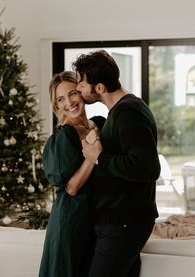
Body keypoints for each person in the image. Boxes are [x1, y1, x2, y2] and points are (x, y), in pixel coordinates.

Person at [72, 50, 161, 277]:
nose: (78, 88)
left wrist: (99, 158)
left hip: (124, 223)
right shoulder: (122, 111)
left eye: (82, 83)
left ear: (99, 88)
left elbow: (148, 167)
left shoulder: (128, 112)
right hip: (122, 221)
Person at [38, 71, 105, 277]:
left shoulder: (99, 124)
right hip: (71, 222)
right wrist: (91, 155)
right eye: (61, 99)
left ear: (82, 93)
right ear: (56, 106)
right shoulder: (63, 136)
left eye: (73, 93)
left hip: (97, 219)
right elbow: (72, 187)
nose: (69, 102)